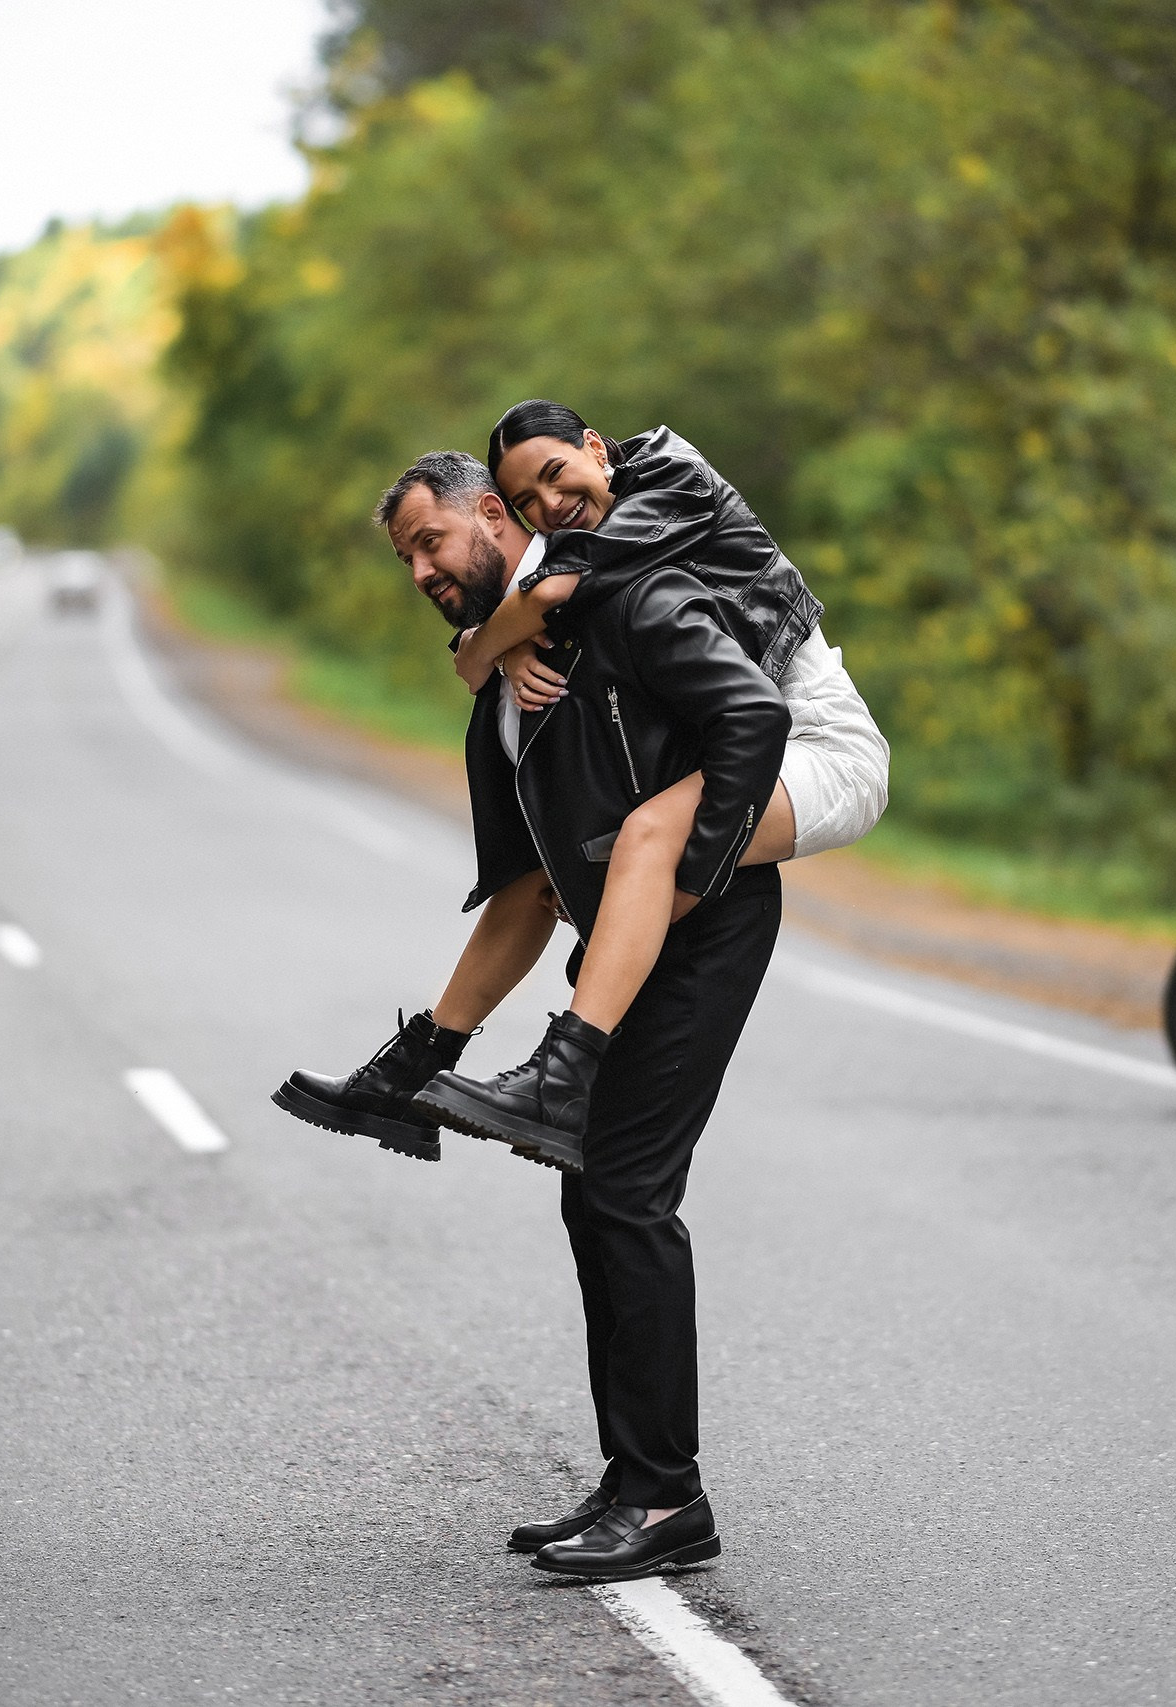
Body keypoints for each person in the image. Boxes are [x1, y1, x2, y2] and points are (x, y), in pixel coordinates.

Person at [281, 449, 789, 1579]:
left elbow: (748, 717)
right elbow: (526, 896)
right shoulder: (511, 680)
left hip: (705, 927)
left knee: (626, 1195)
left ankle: (667, 1504)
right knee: (590, 1193)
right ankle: (636, 1479)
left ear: (495, 517)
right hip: (632, 940)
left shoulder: (626, 597)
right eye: (405, 556)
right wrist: (416, 1064)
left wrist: (690, 878)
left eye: (429, 541)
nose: (418, 568)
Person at [412, 402, 887, 1161]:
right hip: (748, 732)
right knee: (569, 874)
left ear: (598, 449)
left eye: (555, 475)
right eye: (528, 502)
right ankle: (514, 1051)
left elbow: (553, 593)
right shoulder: (600, 510)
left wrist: (476, 650)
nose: (549, 508)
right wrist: (497, 649)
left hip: (821, 744)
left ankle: (564, 1067)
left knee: (648, 835)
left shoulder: (672, 478)